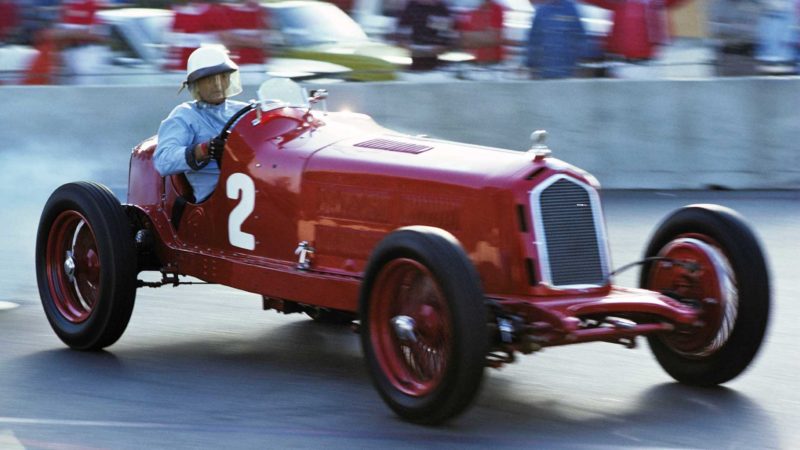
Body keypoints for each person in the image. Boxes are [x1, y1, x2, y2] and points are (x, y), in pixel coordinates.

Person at [154, 46, 247, 202]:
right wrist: (203, 150)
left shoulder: (245, 110)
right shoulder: (184, 115)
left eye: (223, 77)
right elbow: (163, 161)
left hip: (256, 185)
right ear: (196, 84)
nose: (217, 85)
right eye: (209, 80)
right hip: (216, 200)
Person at [525, 0, 587, 79]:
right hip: (544, 72)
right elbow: (533, 41)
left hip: (567, 71)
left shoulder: (572, 9)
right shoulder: (541, 11)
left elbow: (580, 37)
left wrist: (581, 64)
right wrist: (532, 67)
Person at [397, 0, 455, 70]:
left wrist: (442, 45)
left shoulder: (440, 9)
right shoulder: (411, 6)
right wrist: (404, 41)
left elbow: (444, 33)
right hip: (414, 51)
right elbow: (403, 27)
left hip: (434, 54)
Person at [459, 0, 505, 65]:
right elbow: (463, 40)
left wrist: (468, 36)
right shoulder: (468, 8)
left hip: (490, 61)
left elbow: (493, 38)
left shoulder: (496, 8)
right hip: (469, 59)